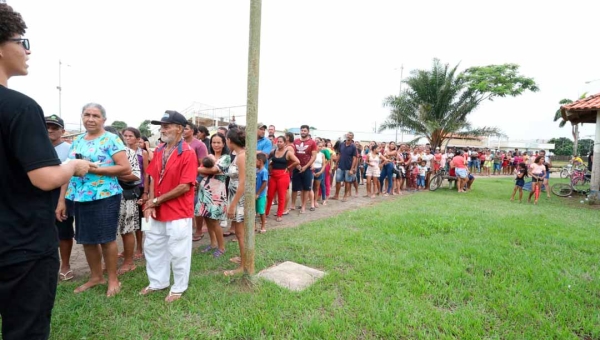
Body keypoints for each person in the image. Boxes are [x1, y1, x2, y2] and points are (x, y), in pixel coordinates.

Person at [0, 7, 95, 338]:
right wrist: (73, 166)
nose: (27, 51)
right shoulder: (19, 107)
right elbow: (44, 177)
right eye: (21, 41)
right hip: (19, 248)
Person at [60, 103, 132, 298]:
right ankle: (95, 276)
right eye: (87, 115)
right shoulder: (77, 142)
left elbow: (124, 168)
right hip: (78, 197)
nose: (90, 119)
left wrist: (93, 170)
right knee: (86, 239)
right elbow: (69, 170)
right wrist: (61, 200)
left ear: (103, 120)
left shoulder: (111, 139)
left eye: (95, 115)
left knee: (106, 239)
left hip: (105, 195)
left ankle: (113, 279)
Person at [139, 111, 196, 303]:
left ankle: (179, 287)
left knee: (178, 250)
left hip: (178, 210)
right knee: (153, 246)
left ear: (179, 129)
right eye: (161, 126)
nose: (162, 129)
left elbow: (185, 186)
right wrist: (150, 203)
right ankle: (157, 282)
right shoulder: (160, 150)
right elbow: (154, 176)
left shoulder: (188, 152)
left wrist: (156, 201)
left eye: (167, 125)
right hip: (158, 208)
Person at [106, 127, 141, 276]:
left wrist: (113, 174)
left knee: (126, 230)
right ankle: (107, 263)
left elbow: (136, 176)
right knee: (105, 233)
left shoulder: (128, 153)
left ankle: (129, 262)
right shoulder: (94, 154)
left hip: (124, 196)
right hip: (102, 198)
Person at [46, 115, 76, 281]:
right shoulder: (35, 147)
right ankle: (47, 265)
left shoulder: (69, 149)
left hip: (63, 195)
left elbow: (71, 176)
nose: (50, 130)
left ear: (62, 131)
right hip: (39, 195)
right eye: (47, 126)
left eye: (54, 127)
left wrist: (62, 200)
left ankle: (65, 266)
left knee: (64, 232)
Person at [196, 132, 231, 257]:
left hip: (217, 192)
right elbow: (206, 171)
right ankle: (212, 244)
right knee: (207, 218)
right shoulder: (209, 156)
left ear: (223, 144)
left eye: (218, 142)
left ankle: (221, 247)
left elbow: (214, 170)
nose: (215, 145)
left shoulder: (226, 158)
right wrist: (202, 169)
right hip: (204, 189)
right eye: (213, 142)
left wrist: (197, 169)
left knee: (215, 221)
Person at [123, 127, 148, 261]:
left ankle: (140, 246)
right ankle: (127, 249)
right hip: (125, 189)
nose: (127, 138)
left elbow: (146, 173)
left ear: (138, 139)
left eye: (130, 136)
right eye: (125, 136)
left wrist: (146, 192)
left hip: (139, 188)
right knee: (126, 218)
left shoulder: (142, 153)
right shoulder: (121, 152)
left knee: (141, 219)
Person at [224, 128, 246, 276]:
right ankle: (243, 257)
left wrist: (233, 205)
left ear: (230, 141)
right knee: (240, 232)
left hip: (239, 199)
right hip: (235, 197)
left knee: (240, 233)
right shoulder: (239, 155)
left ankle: (244, 266)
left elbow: (243, 182)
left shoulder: (241, 157)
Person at [266, 136, 300, 222]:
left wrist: (289, 167)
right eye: (278, 141)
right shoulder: (273, 151)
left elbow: (297, 161)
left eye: (281, 142)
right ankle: (265, 213)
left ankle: (279, 214)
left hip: (283, 176)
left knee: (281, 195)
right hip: (273, 175)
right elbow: (266, 157)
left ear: (285, 143)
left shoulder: (288, 152)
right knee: (269, 195)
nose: (279, 143)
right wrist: (270, 164)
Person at [292, 125, 317, 213]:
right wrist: (296, 165)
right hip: (297, 167)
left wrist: (306, 166)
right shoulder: (295, 141)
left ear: (308, 132)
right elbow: (292, 154)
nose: (303, 132)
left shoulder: (312, 142)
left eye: (305, 131)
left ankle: (303, 206)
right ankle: (293, 205)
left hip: (307, 168)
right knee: (295, 187)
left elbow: (313, 156)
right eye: (302, 130)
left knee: (306, 188)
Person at [331, 132, 358, 201]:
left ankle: (345, 196)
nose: (349, 136)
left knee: (347, 181)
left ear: (352, 137)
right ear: (346, 136)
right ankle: (336, 195)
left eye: (351, 135)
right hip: (340, 166)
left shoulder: (353, 146)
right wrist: (336, 164)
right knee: (337, 181)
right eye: (348, 135)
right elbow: (339, 154)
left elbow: (355, 158)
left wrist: (352, 169)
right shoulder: (341, 144)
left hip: (349, 167)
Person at [255, 153, 268, 233]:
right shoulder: (255, 170)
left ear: (260, 161)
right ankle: (254, 226)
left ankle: (263, 226)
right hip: (254, 194)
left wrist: (258, 193)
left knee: (261, 211)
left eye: (255, 161)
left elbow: (264, 183)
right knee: (254, 211)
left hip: (261, 195)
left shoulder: (264, 171)